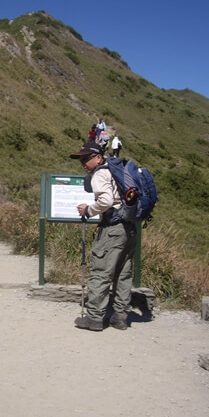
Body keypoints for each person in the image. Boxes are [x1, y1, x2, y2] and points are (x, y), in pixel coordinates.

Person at [69, 141, 137, 332]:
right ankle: (120, 317)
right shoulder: (116, 171)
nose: (83, 163)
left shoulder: (100, 173)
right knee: (123, 274)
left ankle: (95, 318)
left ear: (99, 157)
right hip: (129, 228)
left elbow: (106, 200)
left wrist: (88, 210)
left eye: (87, 158)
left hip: (112, 229)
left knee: (100, 271)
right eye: (81, 160)